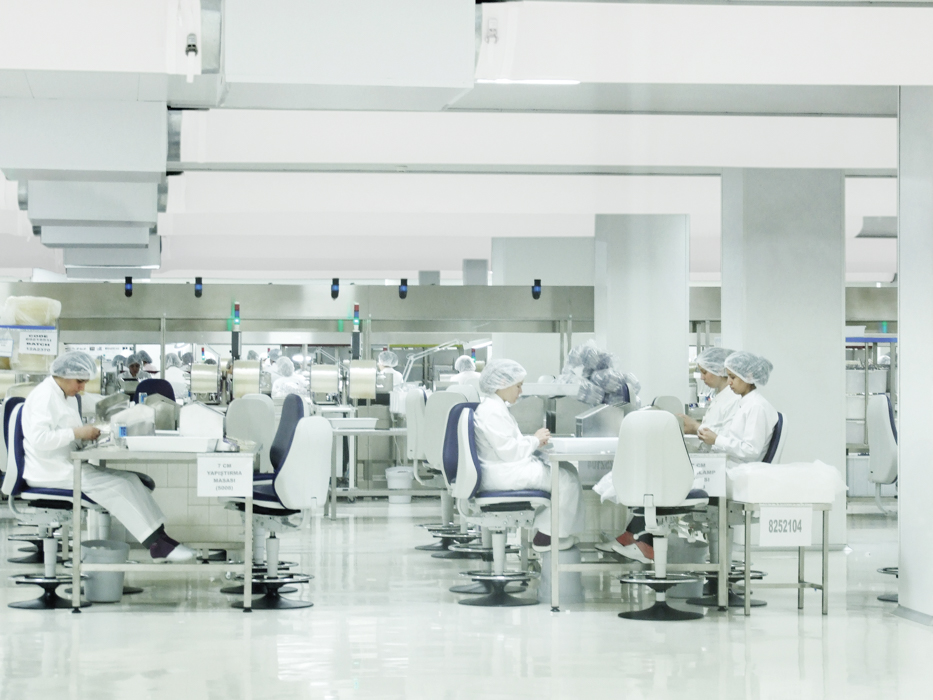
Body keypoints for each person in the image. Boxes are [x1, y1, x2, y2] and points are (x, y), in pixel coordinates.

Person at [21, 351, 195, 562]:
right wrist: (77, 433)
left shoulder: (64, 396)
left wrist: (86, 436)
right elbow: (39, 438)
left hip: (65, 465)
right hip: (50, 471)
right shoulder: (44, 396)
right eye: (79, 381)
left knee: (130, 480)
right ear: (64, 375)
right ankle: (157, 546)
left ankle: (162, 537)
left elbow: (66, 430)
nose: (82, 387)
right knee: (117, 487)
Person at [473, 359, 585, 551]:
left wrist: (534, 442)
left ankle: (549, 531)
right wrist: (534, 440)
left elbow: (508, 443)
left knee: (567, 470)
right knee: (566, 479)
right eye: (518, 386)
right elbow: (509, 451)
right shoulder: (492, 411)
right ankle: (548, 537)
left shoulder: (495, 407)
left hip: (503, 470)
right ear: (503, 384)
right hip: (503, 474)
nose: (520, 391)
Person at [698, 350, 778, 464]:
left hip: (740, 470)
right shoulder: (745, 404)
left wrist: (717, 440)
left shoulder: (756, 406)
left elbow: (751, 451)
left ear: (748, 377)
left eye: (733, 377)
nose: (729, 382)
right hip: (733, 465)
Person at [680, 347, 741, 436]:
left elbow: (729, 439)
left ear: (720, 370)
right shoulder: (720, 395)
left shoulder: (734, 398)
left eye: (704, 372)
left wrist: (696, 427)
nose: (701, 377)